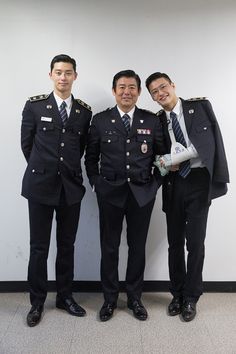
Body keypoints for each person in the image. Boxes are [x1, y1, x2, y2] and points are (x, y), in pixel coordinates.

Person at [145, 72, 229, 322]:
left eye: (163, 87)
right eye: (155, 92)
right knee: (174, 243)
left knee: (195, 243)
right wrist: (162, 164)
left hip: (198, 182)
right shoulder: (158, 120)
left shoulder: (199, 107)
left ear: (173, 85)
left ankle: (191, 297)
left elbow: (203, 146)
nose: (161, 94)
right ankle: (177, 294)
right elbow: (151, 154)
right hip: (173, 184)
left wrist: (171, 159)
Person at [85, 70, 166, 321]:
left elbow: (163, 157)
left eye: (132, 87)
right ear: (114, 91)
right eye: (121, 87)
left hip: (141, 194)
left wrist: (154, 184)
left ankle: (134, 298)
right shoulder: (100, 120)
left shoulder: (151, 120)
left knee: (137, 247)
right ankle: (109, 299)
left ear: (139, 92)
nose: (126, 92)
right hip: (110, 193)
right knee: (108, 247)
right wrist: (97, 184)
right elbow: (90, 159)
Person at [21, 54, 92, 327]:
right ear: (50, 74)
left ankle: (65, 296)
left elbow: (81, 147)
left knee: (66, 246)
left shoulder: (83, 112)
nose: (63, 77)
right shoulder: (35, 106)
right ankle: (37, 302)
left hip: (70, 188)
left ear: (75, 76)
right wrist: (45, 169)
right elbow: (27, 144)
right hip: (40, 186)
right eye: (58, 72)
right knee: (38, 247)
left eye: (68, 72)